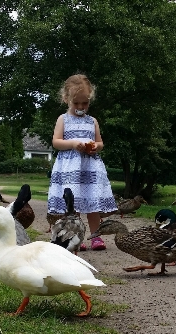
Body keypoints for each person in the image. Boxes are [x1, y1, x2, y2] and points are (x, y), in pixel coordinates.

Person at [47, 74, 118, 251]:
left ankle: (96, 236)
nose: (80, 107)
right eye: (76, 103)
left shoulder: (92, 121)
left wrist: (95, 147)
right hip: (71, 168)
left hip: (90, 167)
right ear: (66, 99)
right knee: (74, 204)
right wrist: (72, 144)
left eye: (84, 103)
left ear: (90, 100)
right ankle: (77, 237)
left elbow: (100, 143)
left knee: (92, 204)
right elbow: (56, 142)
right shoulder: (63, 119)